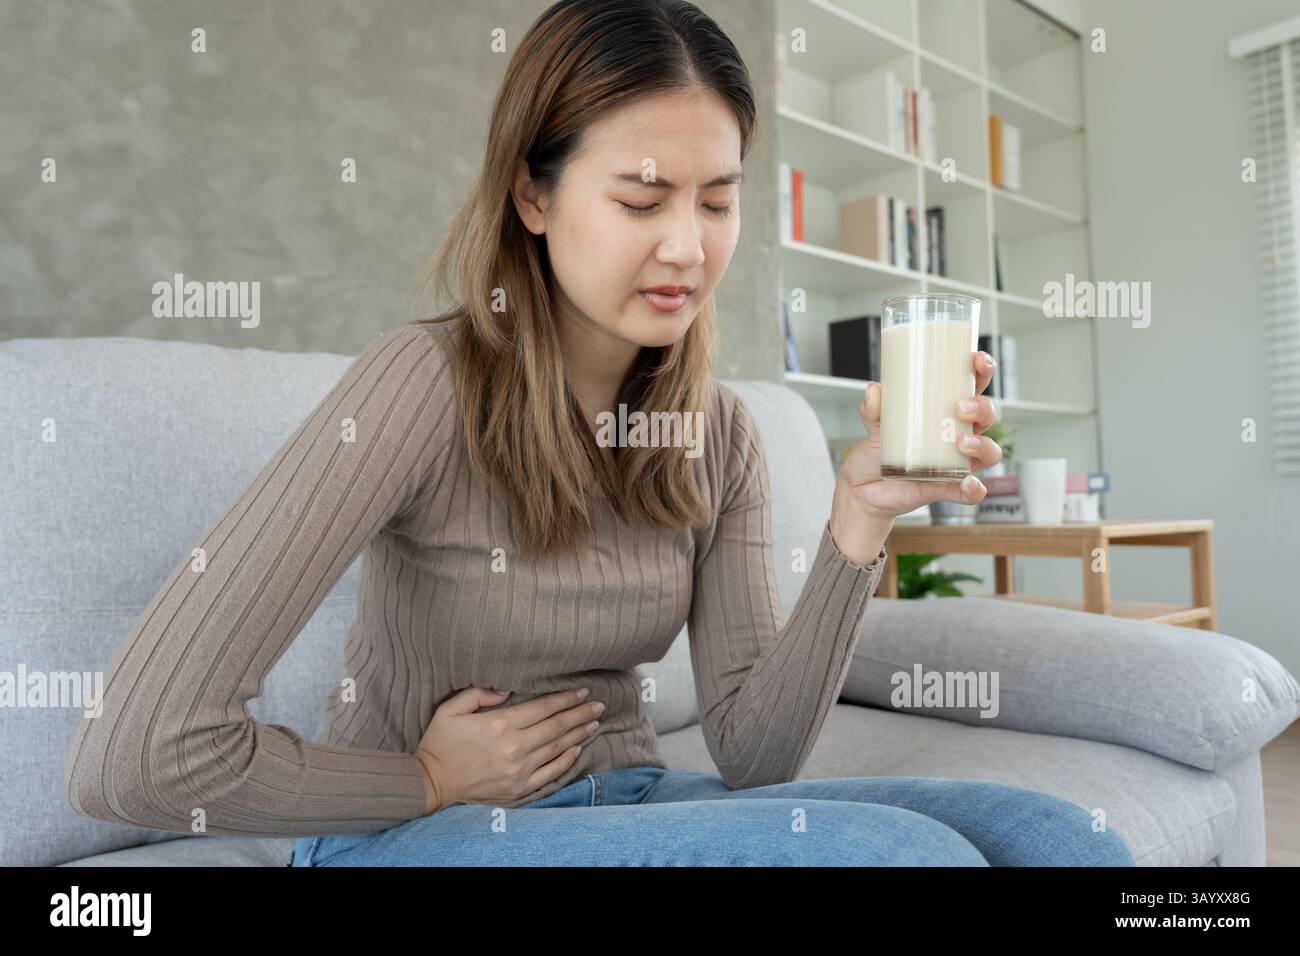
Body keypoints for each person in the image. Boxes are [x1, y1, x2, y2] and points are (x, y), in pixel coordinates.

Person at [65, 0, 1135, 868]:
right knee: (899, 858)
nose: (687, 245)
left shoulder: (719, 432)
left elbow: (756, 756)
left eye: (717, 201)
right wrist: (425, 779)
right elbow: (135, 751)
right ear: (532, 191)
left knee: (1062, 837)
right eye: (641, 198)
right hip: (403, 831)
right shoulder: (420, 384)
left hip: (627, 794)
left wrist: (858, 521)